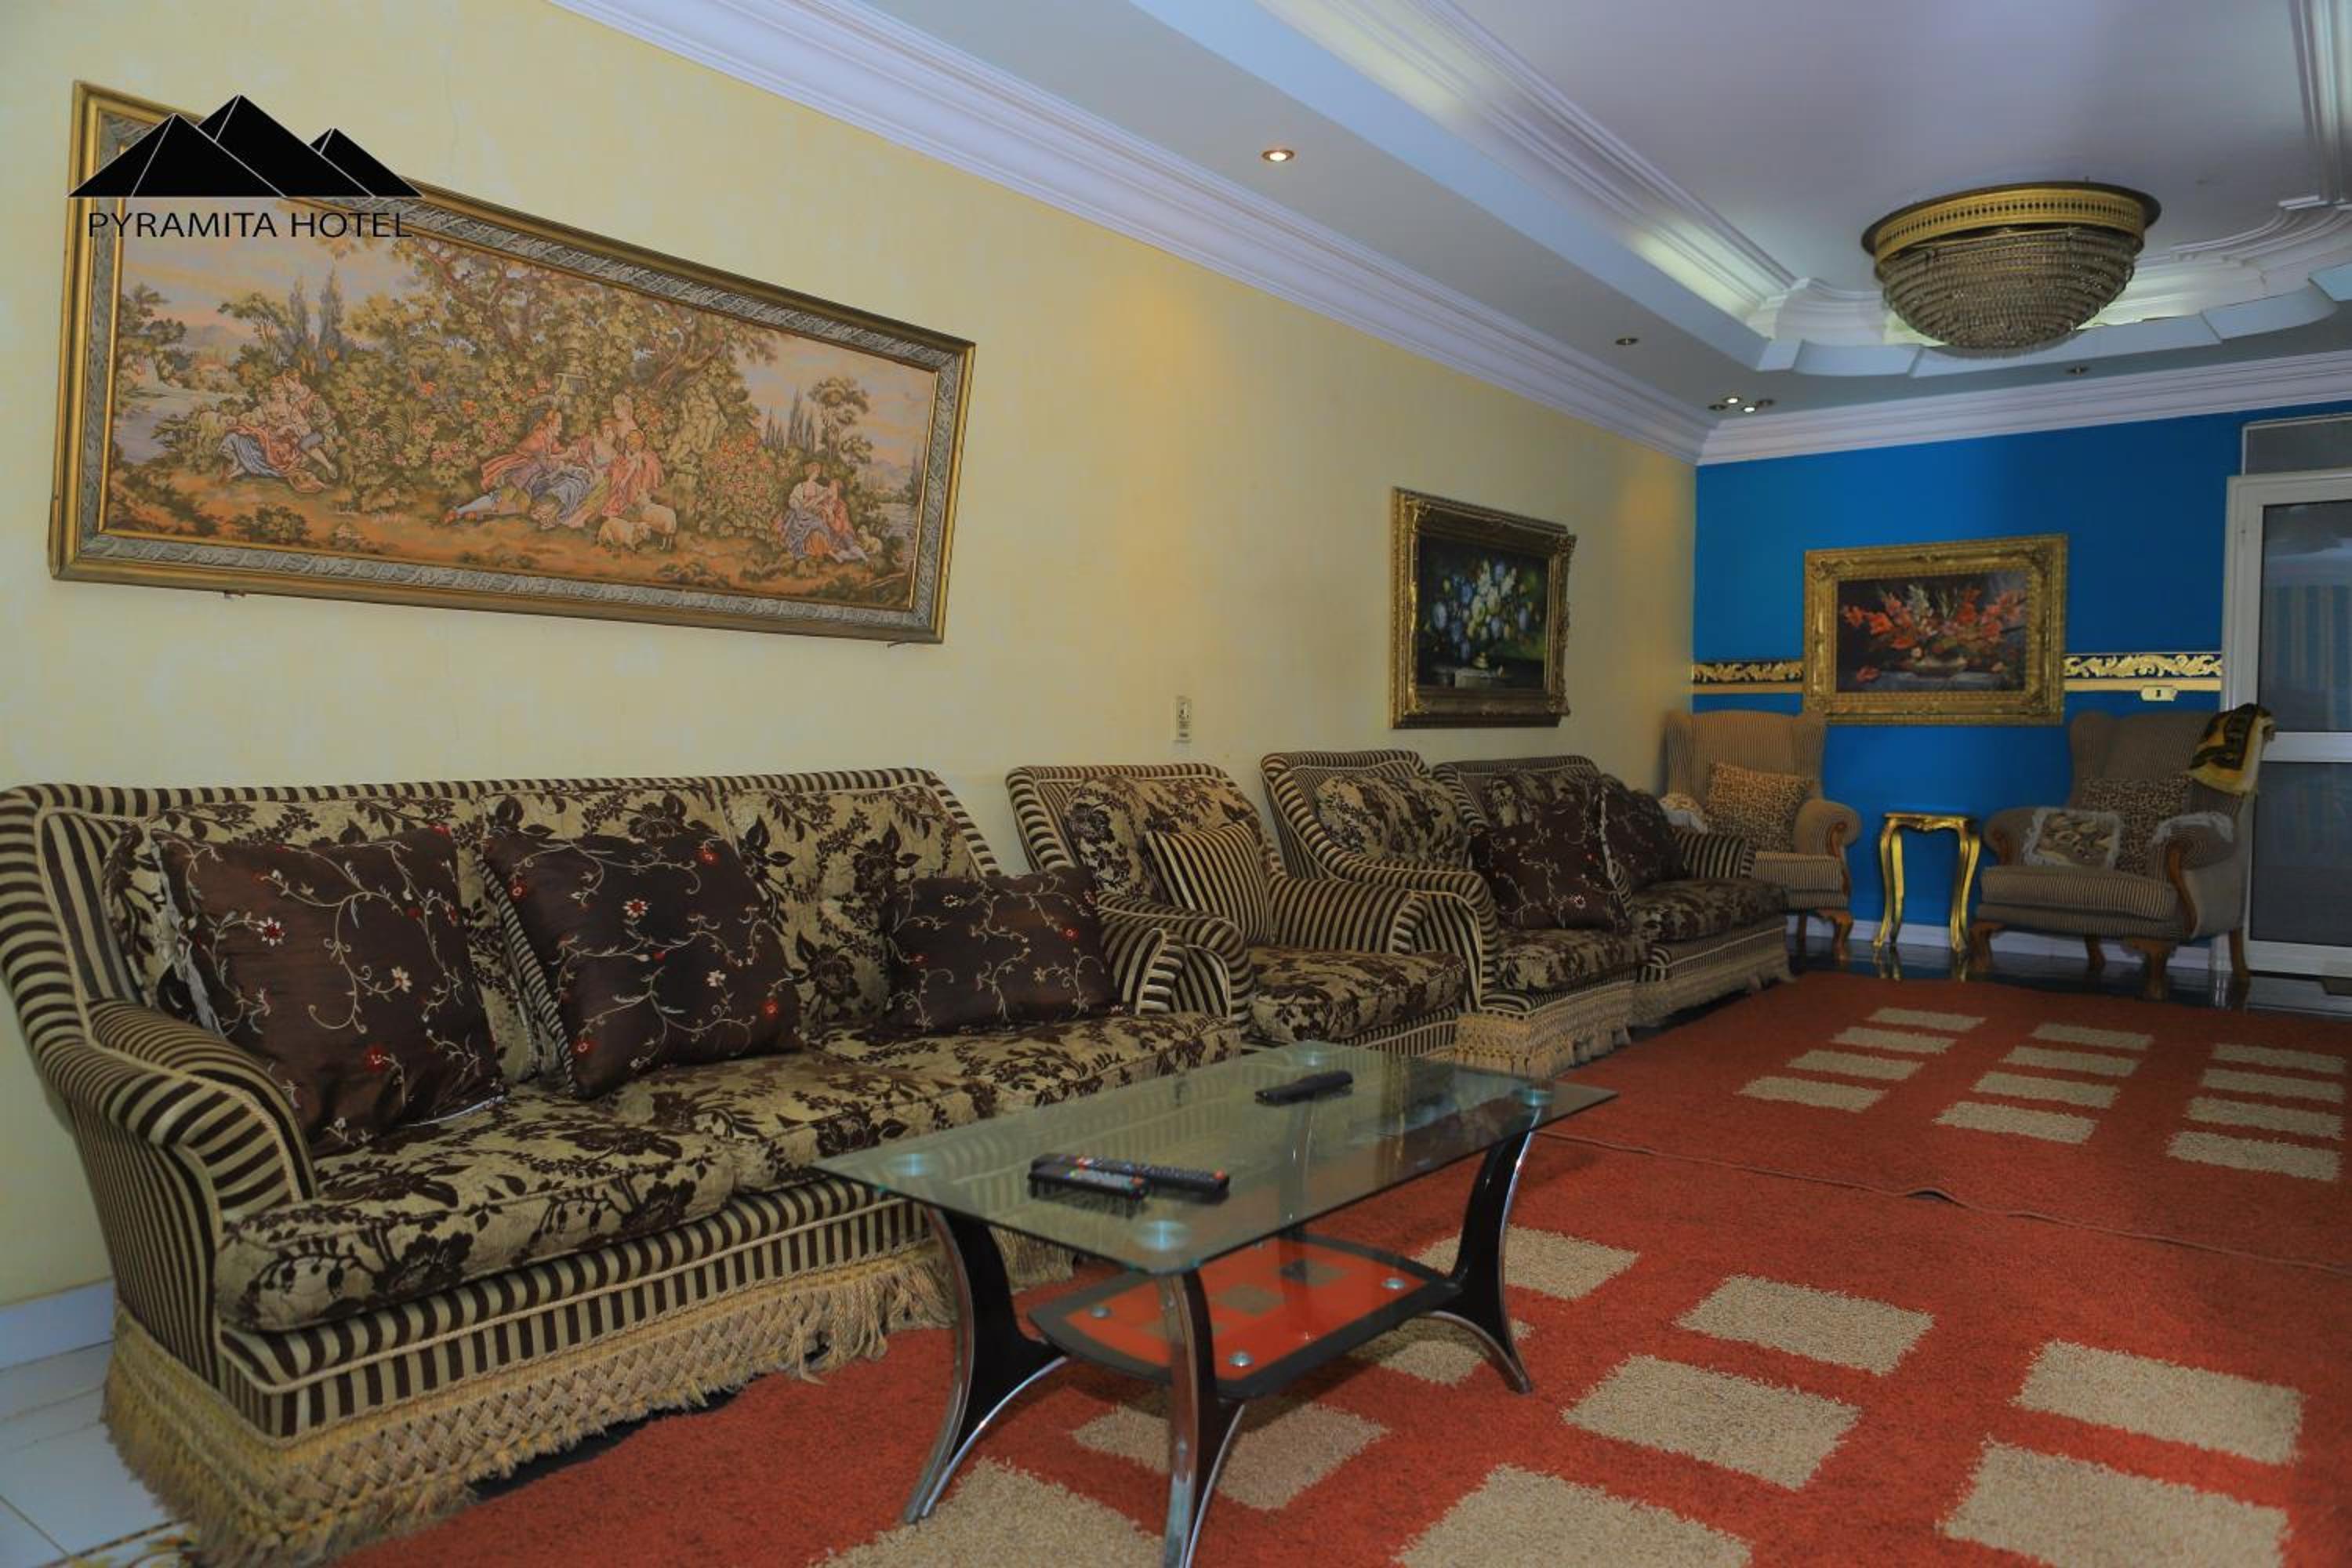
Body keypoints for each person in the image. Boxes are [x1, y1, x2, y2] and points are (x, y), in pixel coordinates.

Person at [446, 406, 564, 522]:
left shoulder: (549, 438)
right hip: (518, 477)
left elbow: (558, 451)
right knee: (500, 498)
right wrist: (562, 458)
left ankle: (478, 512)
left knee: (522, 506)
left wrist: (563, 455)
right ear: (549, 424)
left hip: (527, 483)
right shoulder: (538, 437)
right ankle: (459, 511)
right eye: (558, 424)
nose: (560, 428)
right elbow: (547, 466)